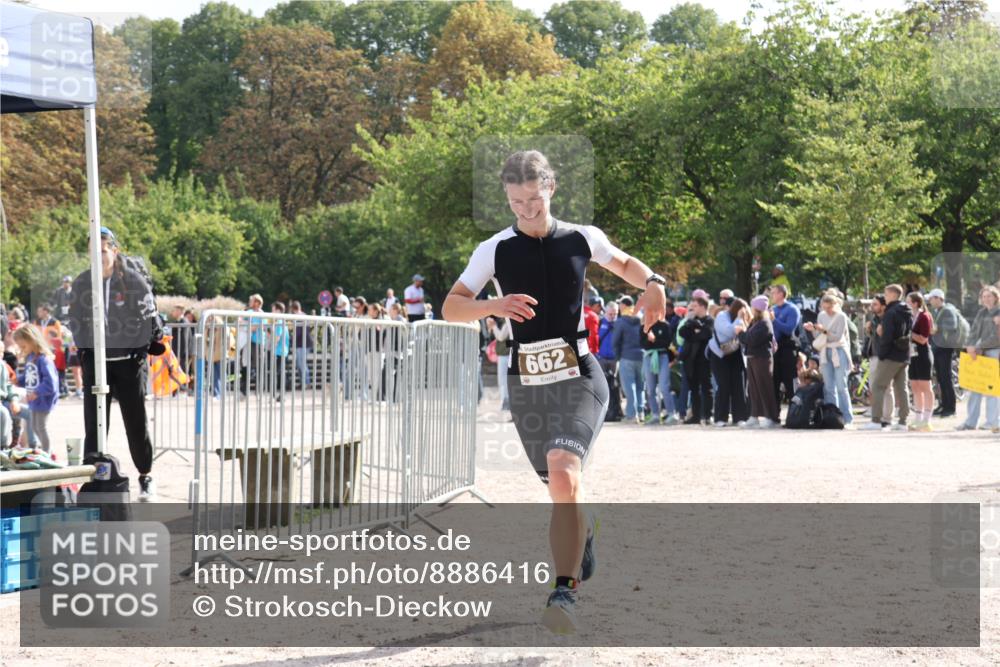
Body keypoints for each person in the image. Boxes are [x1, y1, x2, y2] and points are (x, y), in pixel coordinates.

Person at [441, 149, 666, 634]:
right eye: (516, 203)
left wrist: (653, 283)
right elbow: (451, 307)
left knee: (563, 473)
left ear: (551, 189)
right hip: (527, 385)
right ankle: (585, 525)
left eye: (534, 200)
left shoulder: (582, 237)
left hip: (579, 374)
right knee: (561, 490)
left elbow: (625, 263)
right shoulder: (494, 250)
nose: (526, 210)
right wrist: (493, 305)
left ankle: (564, 592)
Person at [66, 226, 162, 501]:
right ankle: (92, 480)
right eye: (92, 252)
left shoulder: (132, 280)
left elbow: (150, 319)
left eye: (103, 251)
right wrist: (86, 353)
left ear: (114, 251)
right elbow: (75, 320)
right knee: (94, 425)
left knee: (135, 423)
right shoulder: (83, 282)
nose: (98, 257)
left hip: (128, 364)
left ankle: (145, 475)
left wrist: (138, 352)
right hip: (98, 364)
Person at [862, 284, 911, 431]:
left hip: (890, 355)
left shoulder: (890, 313)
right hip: (904, 353)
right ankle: (903, 421)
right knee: (901, 388)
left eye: (886, 294)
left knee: (877, 386)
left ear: (893, 295)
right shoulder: (906, 310)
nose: (885, 296)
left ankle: (876, 420)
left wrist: (882, 354)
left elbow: (887, 336)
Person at [956, 285, 1000, 433]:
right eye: (984, 296)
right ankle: (970, 422)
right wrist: (969, 345)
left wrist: (978, 346)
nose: (986, 299)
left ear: (996, 297)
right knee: (974, 387)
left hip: (993, 352)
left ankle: (992, 422)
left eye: (989, 296)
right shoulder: (981, 312)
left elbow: (996, 337)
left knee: (991, 388)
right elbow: (973, 331)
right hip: (978, 352)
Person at [805, 293, 854, 427]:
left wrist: (823, 330)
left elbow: (836, 337)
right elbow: (818, 336)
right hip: (825, 351)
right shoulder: (821, 315)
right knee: (828, 386)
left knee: (841, 386)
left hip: (839, 350)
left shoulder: (841, 316)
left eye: (830, 307)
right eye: (825, 307)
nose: (827, 310)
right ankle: (832, 417)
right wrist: (813, 329)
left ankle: (847, 418)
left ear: (835, 305)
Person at [12, 325, 59, 452]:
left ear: (31, 340)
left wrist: (37, 392)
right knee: (34, 426)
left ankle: (47, 453)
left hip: (43, 399)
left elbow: (50, 382)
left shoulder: (43, 359)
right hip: (34, 399)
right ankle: (42, 450)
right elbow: (29, 377)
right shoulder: (30, 357)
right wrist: (18, 381)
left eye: (23, 346)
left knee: (41, 427)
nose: (21, 350)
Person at [708, 298, 750, 427]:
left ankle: (740, 417)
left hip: (736, 353)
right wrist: (739, 318)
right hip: (719, 354)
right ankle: (720, 418)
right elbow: (729, 332)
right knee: (723, 385)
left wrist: (743, 320)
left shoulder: (742, 318)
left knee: (739, 385)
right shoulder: (722, 316)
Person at [741, 295, 779, 428]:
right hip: (752, 357)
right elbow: (747, 337)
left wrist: (740, 333)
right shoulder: (755, 322)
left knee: (764, 387)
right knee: (753, 389)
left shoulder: (765, 323)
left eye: (753, 306)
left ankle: (770, 417)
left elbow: (750, 339)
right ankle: (754, 415)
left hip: (762, 358)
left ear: (757, 309)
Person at [678, 296, 714, 425]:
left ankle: (708, 415)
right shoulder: (692, 320)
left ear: (703, 306)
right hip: (690, 360)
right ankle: (696, 416)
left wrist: (694, 333)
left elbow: (706, 334)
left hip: (704, 360)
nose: (693, 309)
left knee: (706, 388)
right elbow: (682, 332)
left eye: (695, 306)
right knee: (693, 389)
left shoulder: (709, 320)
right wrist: (691, 323)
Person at [927, 288, 962, 417]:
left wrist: (938, 328)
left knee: (946, 378)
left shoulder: (947, 310)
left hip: (945, 349)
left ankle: (950, 408)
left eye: (931, 298)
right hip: (939, 348)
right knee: (941, 378)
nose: (930, 301)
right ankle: (943, 405)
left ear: (938, 298)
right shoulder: (938, 310)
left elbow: (952, 327)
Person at [640, 310, 678, 425]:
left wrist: (654, 340)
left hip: (662, 356)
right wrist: (649, 340)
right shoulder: (644, 326)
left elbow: (666, 343)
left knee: (664, 386)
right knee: (650, 388)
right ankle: (655, 414)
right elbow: (642, 344)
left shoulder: (665, 326)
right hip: (649, 357)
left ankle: (671, 413)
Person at [612, 296, 645, 422]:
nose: (619, 307)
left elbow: (615, 341)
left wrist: (617, 357)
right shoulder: (641, 319)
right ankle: (641, 413)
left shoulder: (621, 321)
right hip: (642, 356)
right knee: (640, 387)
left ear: (624, 305)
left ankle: (631, 414)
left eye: (620, 304)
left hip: (626, 356)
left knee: (629, 386)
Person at [864, 296, 895, 422]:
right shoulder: (874, 319)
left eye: (875, 304)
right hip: (874, 356)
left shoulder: (888, 319)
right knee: (873, 387)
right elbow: (873, 338)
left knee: (886, 388)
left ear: (883, 306)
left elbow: (890, 338)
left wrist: (882, 333)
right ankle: (877, 416)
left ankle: (888, 417)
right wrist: (868, 331)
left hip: (886, 357)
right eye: (872, 304)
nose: (872, 306)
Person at [770, 284, 801, 409]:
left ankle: (795, 412)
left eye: (774, 293)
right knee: (774, 382)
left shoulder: (792, 309)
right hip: (775, 350)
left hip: (788, 349)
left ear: (781, 294)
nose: (772, 295)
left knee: (790, 382)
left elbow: (789, 330)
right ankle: (774, 414)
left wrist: (774, 320)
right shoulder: (773, 309)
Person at [596, 301, 622, 422]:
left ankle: (617, 410)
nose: (612, 316)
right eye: (610, 314)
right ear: (605, 312)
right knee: (602, 385)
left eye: (615, 314)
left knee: (615, 385)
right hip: (601, 358)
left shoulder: (620, 324)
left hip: (614, 359)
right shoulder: (600, 322)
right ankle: (602, 411)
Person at [486, 315, 513, 412]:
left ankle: (506, 401)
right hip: (504, 354)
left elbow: (501, 337)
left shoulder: (508, 321)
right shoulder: (504, 321)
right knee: (503, 380)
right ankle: (505, 401)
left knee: (503, 380)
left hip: (505, 355)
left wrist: (493, 326)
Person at [289, 300, 314, 390]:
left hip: (303, 344)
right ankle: (303, 383)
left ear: (293, 309)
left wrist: (291, 339)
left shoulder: (299, 316)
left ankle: (306, 383)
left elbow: (298, 333)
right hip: (303, 343)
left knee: (301, 364)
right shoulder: (304, 315)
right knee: (300, 364)